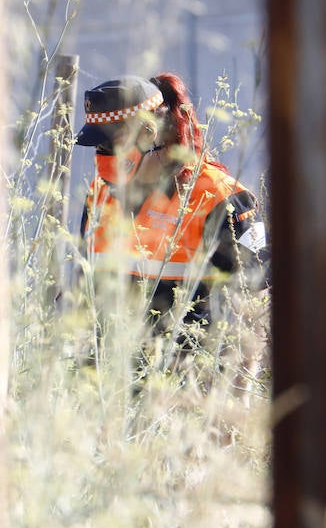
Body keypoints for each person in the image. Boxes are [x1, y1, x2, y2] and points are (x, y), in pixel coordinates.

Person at [75, 73, 268, 342]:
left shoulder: (217, 199)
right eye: (98, 145)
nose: (102, 155)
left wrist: (230, 382)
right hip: (105, 379)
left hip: (187, 378)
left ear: (148, 133)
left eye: (109, 143)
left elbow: (256, 312)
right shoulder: (99, 193)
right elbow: (83, 287)